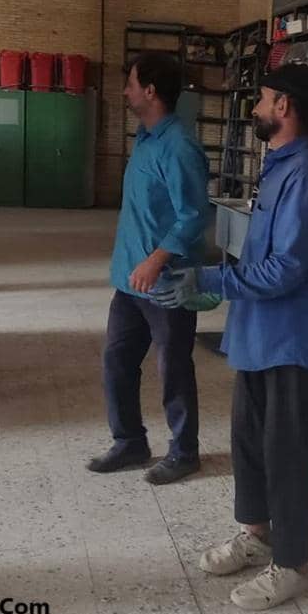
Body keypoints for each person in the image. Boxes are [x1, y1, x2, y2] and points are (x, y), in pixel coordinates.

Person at [150, 64, 308, 611]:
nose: (255, 108)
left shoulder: (305, 175)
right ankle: (258, 535)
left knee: (287, 453)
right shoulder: (279, 166)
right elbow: (264, 259)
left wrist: (211, 279)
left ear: (283, 107)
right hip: (262, 335)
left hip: (295, 340)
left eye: (261, 99)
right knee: (251, 444)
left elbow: (287, 269)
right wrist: (215, 288)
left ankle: (293, 563)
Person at [86, 52, 210, 485]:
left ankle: (184, 451)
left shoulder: (178, 147)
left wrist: (157, 259)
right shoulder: (145, 137)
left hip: (165, 284)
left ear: (151, 91)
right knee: (117, 362)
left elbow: (194, 214)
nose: (125, 91)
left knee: (173, 368)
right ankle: (129, 442)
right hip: (130, 283)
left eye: (131, 83)